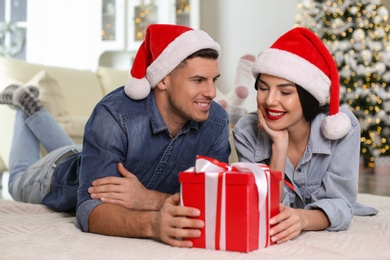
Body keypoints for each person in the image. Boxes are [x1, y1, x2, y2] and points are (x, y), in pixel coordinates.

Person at [0, 24, 230, 248]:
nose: (211, 92)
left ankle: (32, 109)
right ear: (163, 79)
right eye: (198, 80)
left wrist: (148, 199)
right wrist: (153, 223)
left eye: (214, 80)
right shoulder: (114, 115)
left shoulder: (217, 121)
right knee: (16, 178)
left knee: (79, 154)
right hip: (54, 175)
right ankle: (25, 106)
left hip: (88, 157)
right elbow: (88, 210)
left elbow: (216, 200)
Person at [233, 27, 378, 244]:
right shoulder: (246, 132)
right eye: (263, 88)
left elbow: (340, 203)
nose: (270, 100)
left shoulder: (342, 127)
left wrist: (302, 218)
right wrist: (279, 147)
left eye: (285, 92)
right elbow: (261, 207)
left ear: (308, 97)